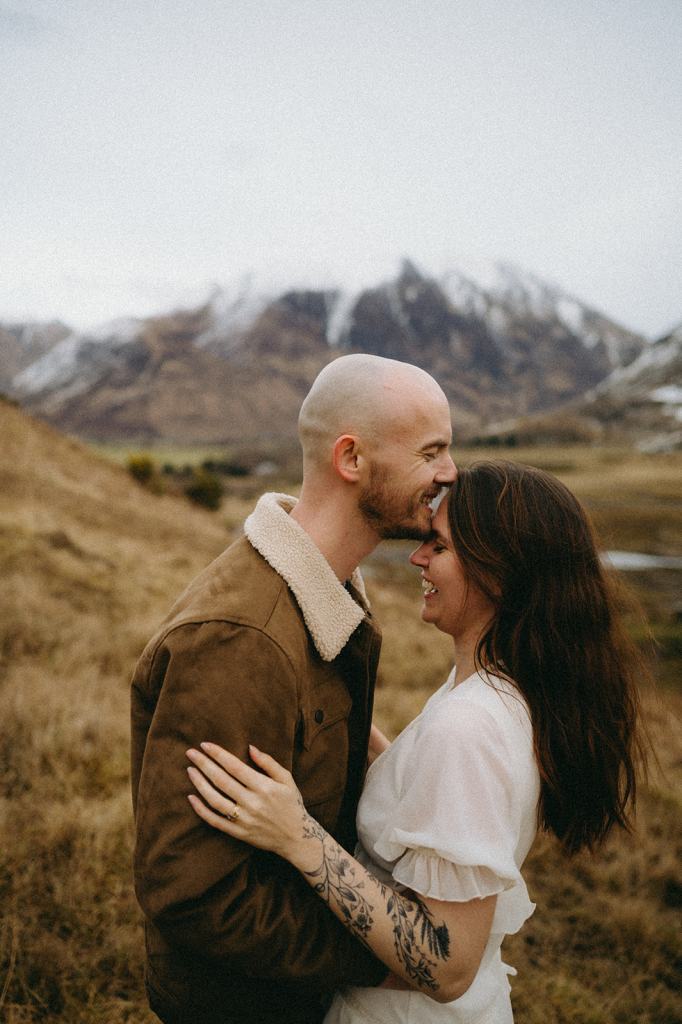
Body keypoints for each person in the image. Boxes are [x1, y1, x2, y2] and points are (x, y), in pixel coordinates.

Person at [185, 460, 648, 1024]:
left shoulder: (469, 728)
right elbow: (431, 795)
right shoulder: (497, 686)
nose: (417, 558)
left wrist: (297, 836)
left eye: (440, 546)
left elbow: (447, 966)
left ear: (499, 572)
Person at [130, 353, 456, 1024]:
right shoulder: (240, 640)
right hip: (241, 1008)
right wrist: (388, 955)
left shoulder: (327, 592)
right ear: (351, 458)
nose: (450, 472)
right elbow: (194, 893)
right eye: (432, 452)